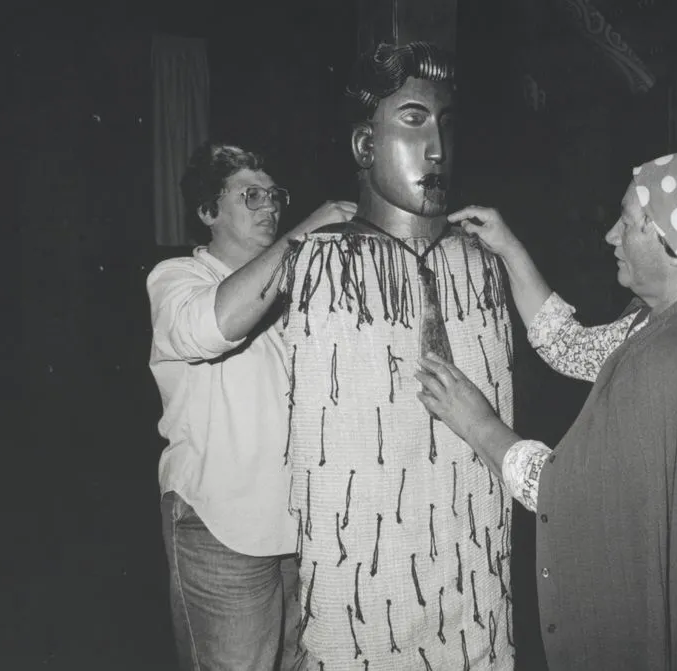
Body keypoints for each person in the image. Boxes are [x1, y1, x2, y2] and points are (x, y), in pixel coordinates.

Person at [416, 151, 677, 670]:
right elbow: (571, 346)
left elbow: (564, 494)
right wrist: (508, 248)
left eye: (626, 222)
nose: (608, 235)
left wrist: (473, 419)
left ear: (672, 246)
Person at [270, 42, 516, 669]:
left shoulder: (481, 265)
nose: (436, 148)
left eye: (447, 126)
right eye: (413, 122)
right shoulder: (323, 266)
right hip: (364, 592)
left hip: (472, 586)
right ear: (363, 146)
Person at [146, 141, 356, 671]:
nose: (270, 207)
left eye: (275, 196)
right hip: (220, 533)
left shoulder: (290, 294)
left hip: (296, 535)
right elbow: (214, 327)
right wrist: (303, 234)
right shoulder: (178, 279)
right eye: (251, 195)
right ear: (207, 212)